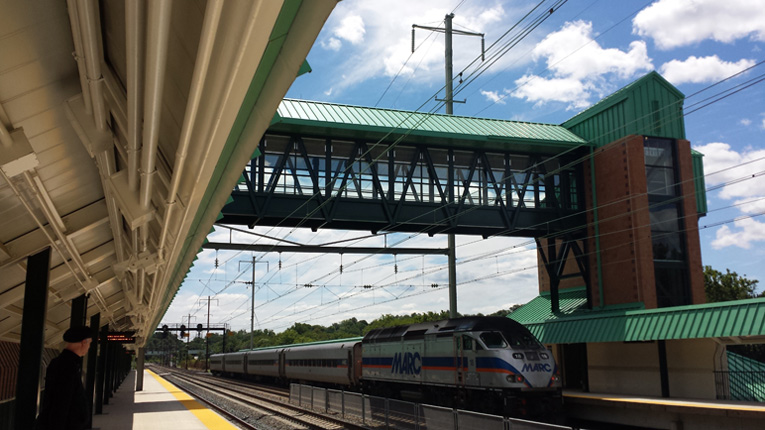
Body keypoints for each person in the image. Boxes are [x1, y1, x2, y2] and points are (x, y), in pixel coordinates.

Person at [35, 326, 94, 430]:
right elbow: (61, 403)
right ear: (84, 342)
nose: (89, 347)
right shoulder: (67, 366)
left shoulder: (64, 363)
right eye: (89, 343)